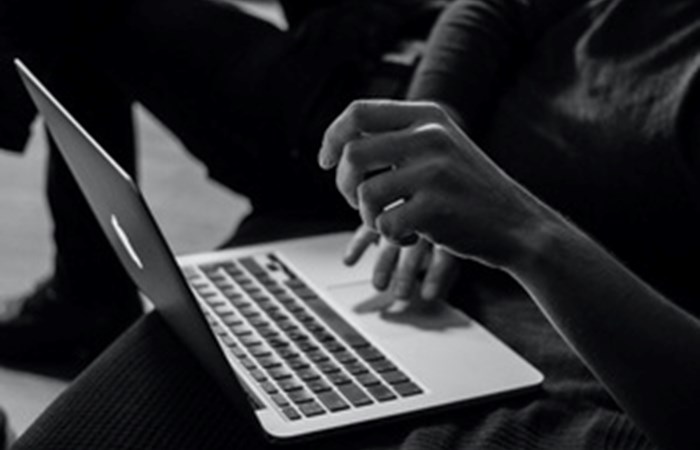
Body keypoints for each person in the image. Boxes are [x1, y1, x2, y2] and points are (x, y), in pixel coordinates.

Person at [5, 0, 700, 448]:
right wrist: (431, 132)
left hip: (451, 233)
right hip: (387, 82)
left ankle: (83, 302)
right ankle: (85, 297)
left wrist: (521, 228)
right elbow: (488, 9)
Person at [0, 0, 449, 366]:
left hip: (361, 96)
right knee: (73, 20)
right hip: (374, 43)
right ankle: (87, 298)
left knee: (78, 11)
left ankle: (87, 299)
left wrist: (431, 156)